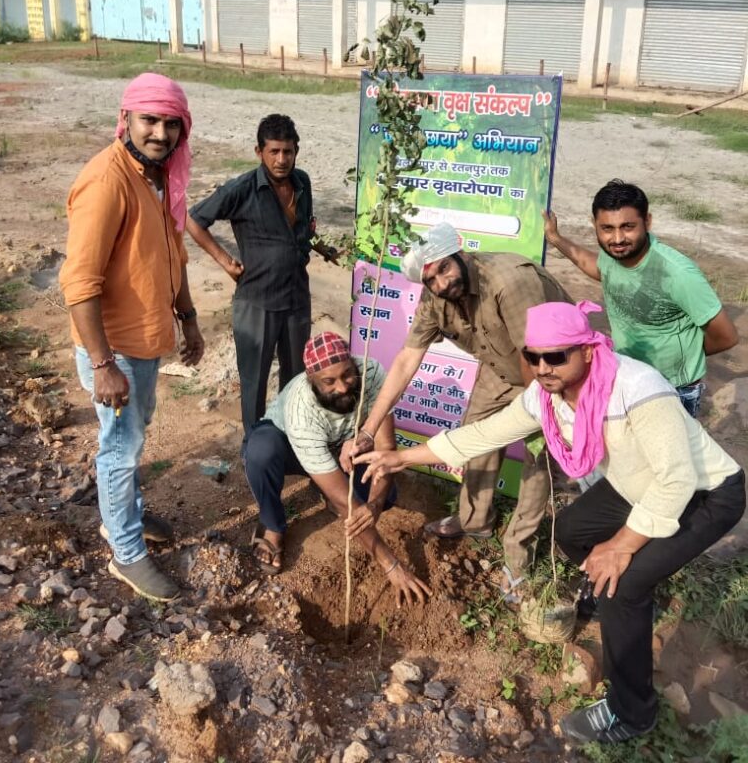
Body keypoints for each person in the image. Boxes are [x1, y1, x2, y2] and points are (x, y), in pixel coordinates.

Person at [356, 300, 745, 745]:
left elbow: (676, 480)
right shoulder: (546, 396)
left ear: (588, 351)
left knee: (625, 581)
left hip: (704, 493)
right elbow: (484, 434)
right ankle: (622, 601)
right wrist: (401, 456)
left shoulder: (638, 388)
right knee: (573, 532)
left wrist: (620, 547)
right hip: (636, 483)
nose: (543, 366)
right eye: (533, 356)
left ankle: (631, 711)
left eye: (556, 355)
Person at [342, 222, 573, 589]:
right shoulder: (435, 298)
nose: (441, 284)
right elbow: (406, 359)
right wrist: (368, 431)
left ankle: (517, 557)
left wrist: (539, 415)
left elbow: (539, 355)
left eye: (445, 270)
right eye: (430, 280)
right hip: (501, 367)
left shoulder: (509, 282)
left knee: (538, 456)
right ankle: (475, 520)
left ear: (460, 251)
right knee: (475, 435)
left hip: (548, 369)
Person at [60, 73, 205, 602]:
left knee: (133, 436)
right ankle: (125, 550)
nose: (161, 133)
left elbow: (173, 252)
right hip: (115, 350)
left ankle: (126, 516)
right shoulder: (107, 182)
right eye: (150, 120)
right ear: (126, 120)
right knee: (120, 450)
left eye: (171, 124)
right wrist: (103, 364)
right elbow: (78, 282)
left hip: (145, 341)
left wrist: (187, 317)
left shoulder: (158, 176)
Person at [242, 332, 430, 607]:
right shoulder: (301, 411)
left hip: (341, 449)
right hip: (287, 448)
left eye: (347, 375)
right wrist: (391, 566)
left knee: (385, 497)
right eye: (329, 382)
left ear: (354, 364)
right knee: (261, 451)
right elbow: (348, 504)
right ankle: (272, 526)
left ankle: (327, 488)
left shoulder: (372, 372)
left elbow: (386, 446)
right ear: (312, 380)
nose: (342, 388)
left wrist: (375, 505)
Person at [187, 114, 332, 437]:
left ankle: (288, 439)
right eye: (274, 152)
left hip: (295, 299)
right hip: (257, 303)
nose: (282, 160)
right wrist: (225, 261)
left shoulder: (302, 183)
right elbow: (194, 220)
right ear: (259, 151)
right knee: (254, 379)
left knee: (296, 377)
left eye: (288, 152)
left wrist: (324, 248)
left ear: (297, 151)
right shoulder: (242, 189)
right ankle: (254, 447)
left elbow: (304, 228)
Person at [543, 178, 738, 417]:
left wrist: (686, 357)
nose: (617, 239)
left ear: (647, 221)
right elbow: (593, 265)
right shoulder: (613, 257)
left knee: (668, 454)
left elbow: (726, 336)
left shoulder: (677, 273)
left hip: (671, 388)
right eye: (607, 228)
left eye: (627, 226)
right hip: (626, 377)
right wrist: (555, 239)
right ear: (594, 224)